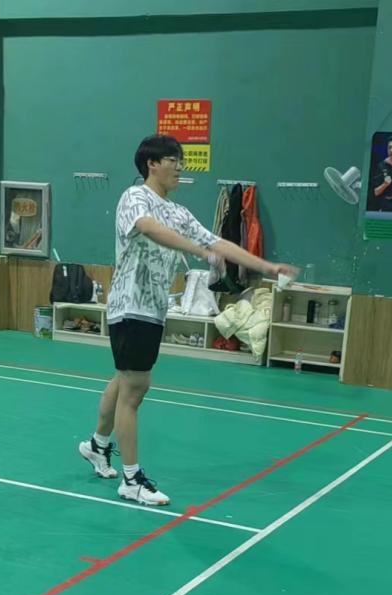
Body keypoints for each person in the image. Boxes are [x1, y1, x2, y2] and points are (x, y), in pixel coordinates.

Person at [78, 134, 298, 506]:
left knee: (124, 379)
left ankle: (97, 446)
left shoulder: (178, 212)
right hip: (130, 305)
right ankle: (131, 480)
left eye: (181, 160)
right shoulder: (135, 197)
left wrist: (266, 266)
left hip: (153, 309)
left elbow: (218, 242)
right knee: (135, 389)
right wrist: (198, 251)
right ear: (152, 164)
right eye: (173, 160)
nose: (180, 167)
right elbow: (149, 228)